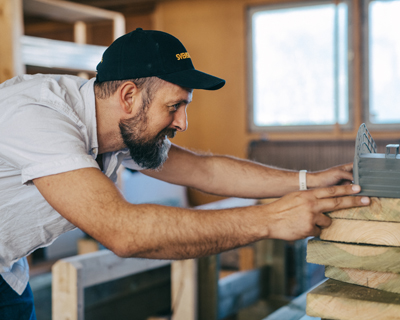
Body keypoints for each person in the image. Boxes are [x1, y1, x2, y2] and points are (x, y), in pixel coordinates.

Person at [0, 28, 369, 319]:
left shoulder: (118, 128)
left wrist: (308, 180)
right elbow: (123, 232)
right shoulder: (37, 116)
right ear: (129, 97)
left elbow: (204, 171)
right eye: (174, 106)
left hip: (8, 271)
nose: (183, 123)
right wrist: (270, 219)